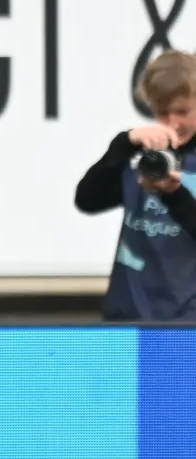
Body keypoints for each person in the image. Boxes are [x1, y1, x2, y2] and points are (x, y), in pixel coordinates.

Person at [74, 50, 196, 321]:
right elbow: (87, 199)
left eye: (182, 112)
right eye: (162, 113)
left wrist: (173, 195)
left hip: (187, 319)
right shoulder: (143, 153)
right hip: (128, 312)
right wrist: (124, 143)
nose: (172, 123)